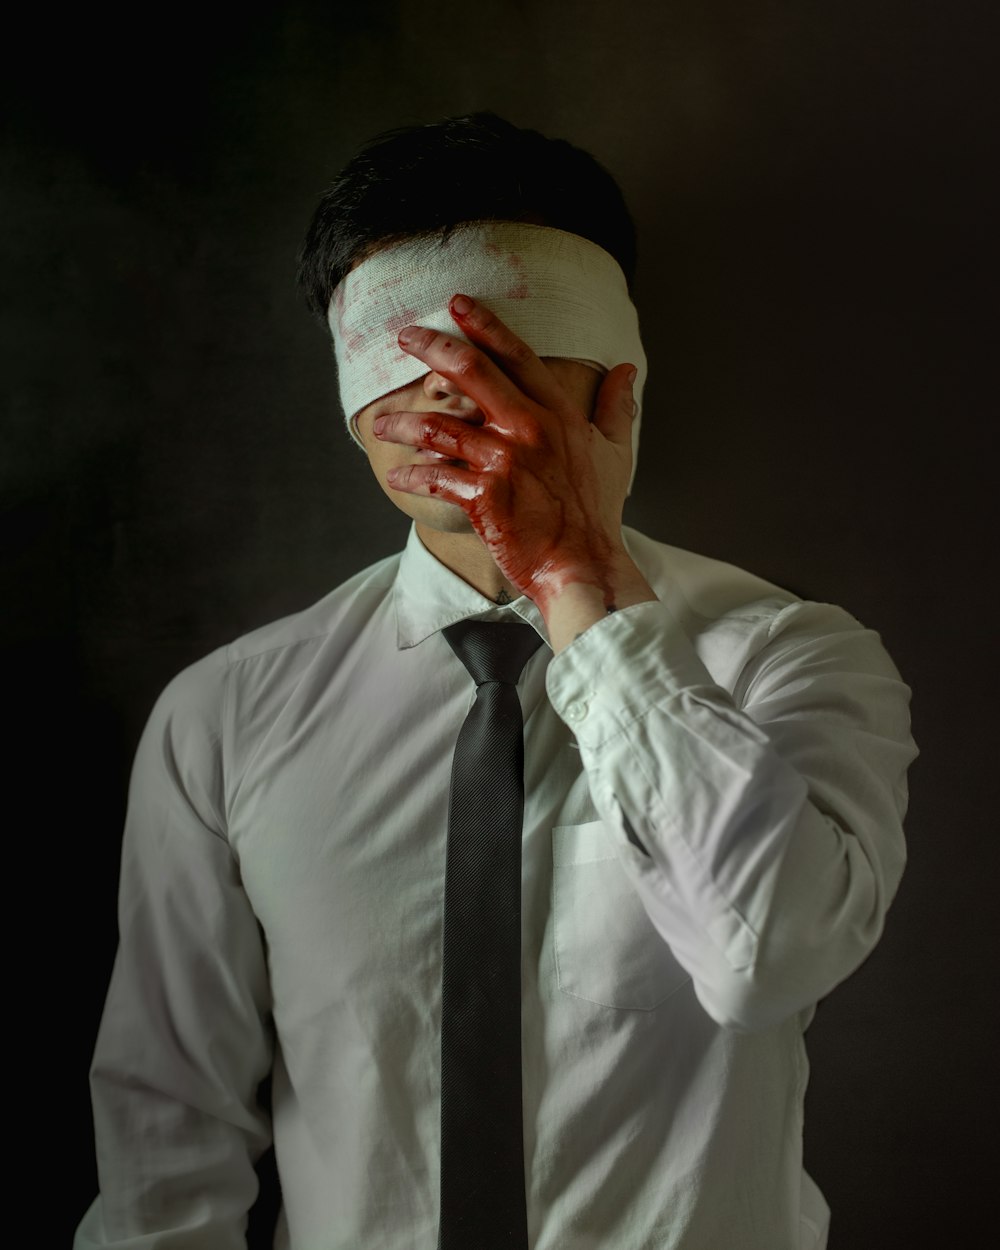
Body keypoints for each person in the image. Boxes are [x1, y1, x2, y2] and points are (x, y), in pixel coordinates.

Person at [75, 113, 917, 1250]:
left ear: (613, 387)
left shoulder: (790, 658)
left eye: (499, 349)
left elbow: (767, 957)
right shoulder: (225, 716)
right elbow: (166, 1132)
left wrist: (578, 577)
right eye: (395, 350)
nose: (440, 394)